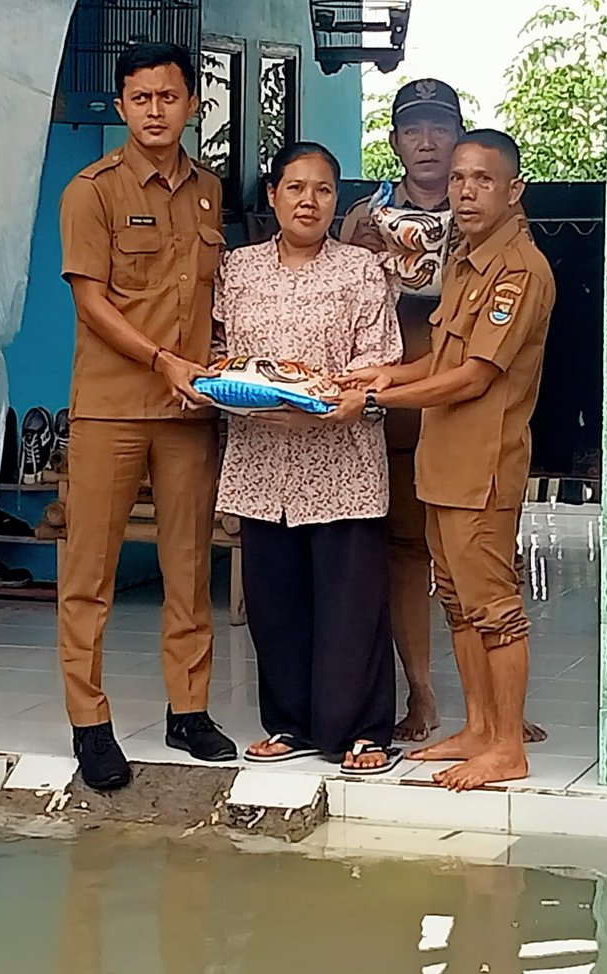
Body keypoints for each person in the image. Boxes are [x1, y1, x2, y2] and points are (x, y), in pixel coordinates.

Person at [337, 131, 555, 792]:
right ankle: (478, 729)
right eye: (459, 178)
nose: (465, 191)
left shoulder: (519, 270)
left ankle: (508, 746)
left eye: (483, 179)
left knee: (495, 608)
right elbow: (444, 358)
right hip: (442, 460)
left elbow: (474, 377)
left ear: (513, 190)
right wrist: (388, 371)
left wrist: (379, 395)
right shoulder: (465, 259)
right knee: (458, 603)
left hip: (482, 466)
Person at [57, 42, 236, 791]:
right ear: (122, 107)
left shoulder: (209, 190)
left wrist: (223, 362)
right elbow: (91, 302)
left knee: (188, 567)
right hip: (112, 408)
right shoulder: (91, 190)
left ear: (192, 105)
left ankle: (188, 711)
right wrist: (163, 360)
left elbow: (210, 297)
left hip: (188, 412)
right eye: (141, 99)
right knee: (89, 572)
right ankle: (89, 723)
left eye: (169, 97)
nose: (156, 111)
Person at [214, 142, 405, 774]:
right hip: (262, 460)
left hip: (342, 463)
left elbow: (381, 361)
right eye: (295, 188)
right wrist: (228, 386)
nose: (309, 201)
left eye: (323, 190)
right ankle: (289, 724)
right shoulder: (238, 268)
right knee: (276, 602)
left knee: (351, 604)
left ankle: (364, 731)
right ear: (273, 196)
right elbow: (220, 350)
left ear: (335, 201)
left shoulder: (360, 270)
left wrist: (327, 399)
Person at [337, 79, 461, 745]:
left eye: (439, 128)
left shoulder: (484, 207)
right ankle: (421, 693)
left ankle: (500, 703)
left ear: (458, 138)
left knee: (475, 558)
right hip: (389, 410)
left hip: (464, 404)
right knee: (404, 557)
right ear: (395, 142)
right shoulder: (367, 216)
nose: (427, 142)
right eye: (413, 129)